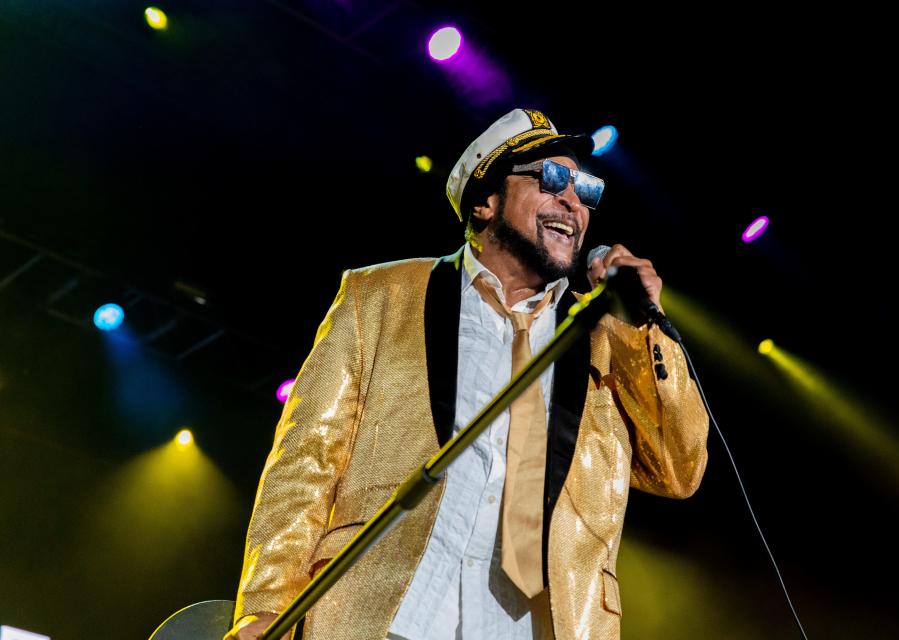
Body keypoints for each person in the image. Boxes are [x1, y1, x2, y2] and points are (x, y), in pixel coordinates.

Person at [225, 108, 709, 640]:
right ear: (485, 201)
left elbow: (678, 469)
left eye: (587, 189)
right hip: (387, 611)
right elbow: (306, 462)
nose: (573, 202)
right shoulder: (380, 298)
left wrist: (643, 328)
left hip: (537, 628)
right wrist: (265, 606)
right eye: (552, 180)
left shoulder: (608, 338)